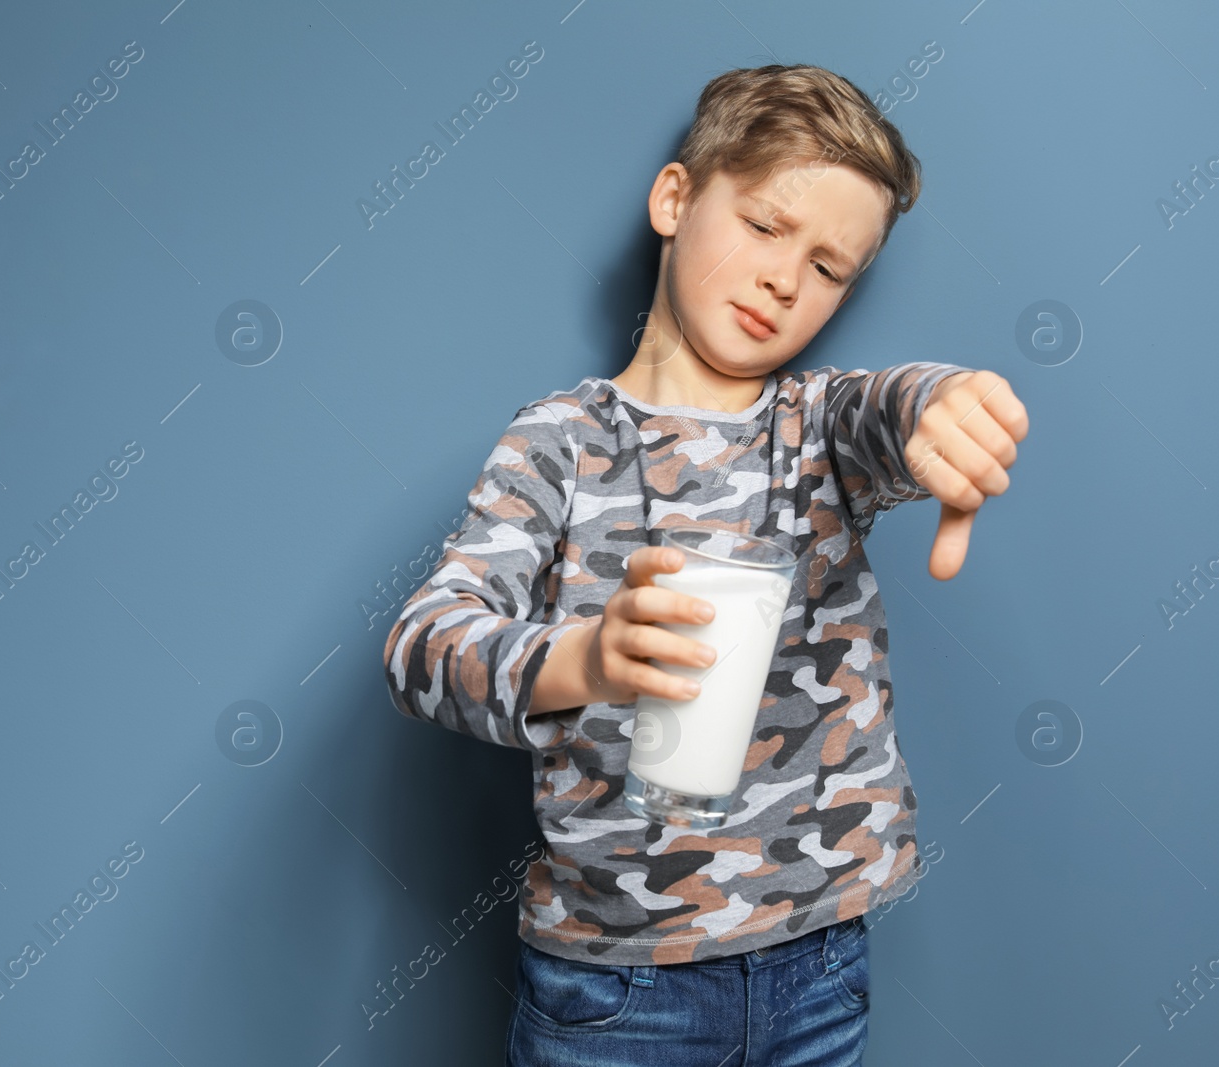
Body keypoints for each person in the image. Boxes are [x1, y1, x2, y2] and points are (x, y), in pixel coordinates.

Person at [381, 63, 1028, 1066]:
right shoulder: (563, 439)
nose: (785, 278)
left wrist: (944, 405)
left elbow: (890, 405)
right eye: (766, 226)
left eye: (828, 267)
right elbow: (424, 646)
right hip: (614, 985)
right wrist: (584, 662)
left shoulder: (814, 428)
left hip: (819, 962)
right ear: (675, 199)